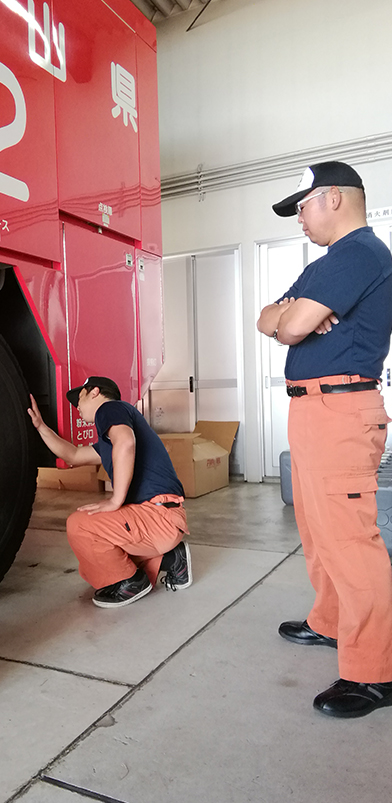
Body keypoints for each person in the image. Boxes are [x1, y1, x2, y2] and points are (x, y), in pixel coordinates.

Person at [257, 161, 392, 718]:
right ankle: (330, 622)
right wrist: (294, 314)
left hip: (341, 410)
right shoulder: (328, 265)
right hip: (312, 409)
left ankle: (375, 672)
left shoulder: (361, 253)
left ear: (332, 197)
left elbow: (285, 328)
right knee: (318, 532)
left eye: (303, 206)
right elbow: (267, 318)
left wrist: (294, 318)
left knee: (350, 541)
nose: (300, 220)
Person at [28, 376, 192, 608]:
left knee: (81, 525)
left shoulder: (109, 409)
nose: (76, 405)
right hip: (164, 517)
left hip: (156, 516)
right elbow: (73, 455)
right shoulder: (109, 439)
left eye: (80, 397)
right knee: (104, 550)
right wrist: (41, 428)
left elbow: (126, 443)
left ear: (95, 392)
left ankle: (131, 581)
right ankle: (172, 559)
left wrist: (116, 500)